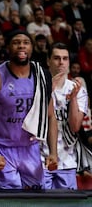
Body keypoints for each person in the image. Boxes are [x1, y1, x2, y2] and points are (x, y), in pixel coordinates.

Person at [0, 30, 58, 189]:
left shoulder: (41, 77)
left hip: (30, 148)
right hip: (1, 148)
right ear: (8, 47)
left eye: (26, 42)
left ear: (32, 48)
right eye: (16, 42)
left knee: (36, 199)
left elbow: (51, 116)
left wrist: (53, 152)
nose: (21, 46)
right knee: (7, 200)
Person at [41, 42, 88, 189]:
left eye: (65, 58)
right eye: (56, 58)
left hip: (67, 161)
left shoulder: (79, 90)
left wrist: (73, 98)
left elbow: (75, 126)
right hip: (40, 160)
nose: (61, 62)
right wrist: (48, 90)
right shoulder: (37, 86)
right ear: (48, 61)